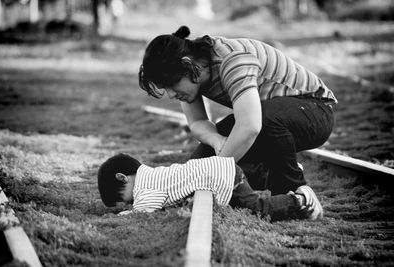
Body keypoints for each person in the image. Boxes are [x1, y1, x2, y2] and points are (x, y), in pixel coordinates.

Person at [138, 25, 336, 197]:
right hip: (270, 118)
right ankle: (273, 171)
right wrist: (217, 141)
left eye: (172, 85)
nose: (171, 95)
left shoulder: (232, 61)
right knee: (200, 160)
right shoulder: (194, 68)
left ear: (188, 65)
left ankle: (293, 190)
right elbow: (197, 123)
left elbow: (250, 126)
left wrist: (214, 173)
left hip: (315, 111)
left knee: (262, 119)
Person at [97, 153, 323, 221]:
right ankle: (273, 173)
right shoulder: (153, 174)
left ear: (123, 177)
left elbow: (144, 210)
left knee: (255, 208)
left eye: (124, 199)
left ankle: (298, 203)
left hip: (219, 177)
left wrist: (125, 214)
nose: (130, 202)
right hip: (222, 169)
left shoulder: (145, 188)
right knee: (244, 186)